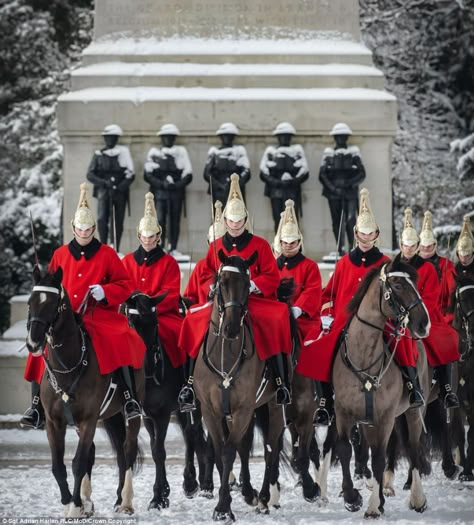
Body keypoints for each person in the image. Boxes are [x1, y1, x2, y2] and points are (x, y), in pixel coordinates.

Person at [20, 183, 145, 429]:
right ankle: (36, 404)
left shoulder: (107, 254)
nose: (84, 233)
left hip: (97, 315)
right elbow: (51, 285)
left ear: (94, 229)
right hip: (63, 318)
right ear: (73, 228)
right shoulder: (60, 254)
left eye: (88, 229)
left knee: (120, 338)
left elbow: (125, 285)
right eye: (80, 228)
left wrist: (105, 291)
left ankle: (129, 398)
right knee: (40, 346)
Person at [296, 189, 422, 426]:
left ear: (376, 234)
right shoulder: (343, 263)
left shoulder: (385, 263)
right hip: (345, 321)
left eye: (370, 233)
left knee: (403, 342)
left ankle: (413, 387)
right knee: (318, 349)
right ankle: (325, 402)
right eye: (362, 233)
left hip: (381, 321)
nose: (366, 237)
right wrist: (326, 316)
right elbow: (328, 294)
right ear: (355, 234)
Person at [177, 174, 293, 412]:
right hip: (223, 301)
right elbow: (206, 273)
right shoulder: (215, 246)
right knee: (193, 322)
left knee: (277, 320)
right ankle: (188, 383)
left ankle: (281, 381)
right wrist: (211, 286)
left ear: (245, 221)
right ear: (226, 221)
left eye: (239, 221)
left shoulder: (260, 245)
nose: (235, 225)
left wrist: (253, 285)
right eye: (231, 221)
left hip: (253, 301)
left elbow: (272, 276)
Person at [398, 208, 460, 409]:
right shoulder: (393, 265)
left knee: (446, 338)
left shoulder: (428, 269)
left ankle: (445, 387)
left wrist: (412, 313)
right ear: (401, 245)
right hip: (397, 316)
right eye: (405, 245)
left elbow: (431, 297)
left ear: (417, 246)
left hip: (423, 315)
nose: (408, 249)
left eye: (412, 245)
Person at [121, 192, 186, 371]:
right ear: (139, 236)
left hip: (160, 315)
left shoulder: (169, 263)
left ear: (158, 236)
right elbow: (121, 287)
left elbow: (171, 293)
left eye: (152, 236)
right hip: (130, 315)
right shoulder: (126, 261)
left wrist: (150, 306)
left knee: (178, 333)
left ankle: (183, 380)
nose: (148, 240)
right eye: (145, 236)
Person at [274, 199, 322, 345]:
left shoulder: (310, 266)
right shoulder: (272, 265)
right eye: (285, 243)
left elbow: (312, 291)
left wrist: (299, 308)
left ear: (299, 243)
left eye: (292, 243)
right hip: (276, 315)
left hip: (302, 318)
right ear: (280, 243)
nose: (288, 246)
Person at [144, 123, 193, 258]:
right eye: (166, 137)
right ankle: (159, 246)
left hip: (175, 193)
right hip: (160, 194)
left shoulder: (181, 152)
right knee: (159, 221)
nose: (168, 139)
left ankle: (173, 247)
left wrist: (176, 185)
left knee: (174, 221)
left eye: (171, 137)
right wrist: (161, 184)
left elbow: (188, 174)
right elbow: (147, 175)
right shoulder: (155, 153)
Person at [319, 122, 366, 255]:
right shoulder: (328, 154)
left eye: (343, 136)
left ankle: (352, 246)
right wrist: (333, 188)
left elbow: (362, 173)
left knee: (351, 219)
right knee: (337, 220)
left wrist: (349, 184)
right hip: (333, 193)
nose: (341, 139)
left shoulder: (353, 152)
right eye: (338, 136)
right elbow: (322, 175)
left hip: (349, 192)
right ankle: (340, 248)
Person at [86, 124, 135, 252]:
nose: (110, 140)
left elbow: (130, 174)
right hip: (103, 191)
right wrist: (103, 182)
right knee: (102, 219)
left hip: (119, 192)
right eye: (107, 137)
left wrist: (120, 187)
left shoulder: (123, 153)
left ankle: (116, 247)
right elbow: (90, 174)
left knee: (117, 220)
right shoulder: (99, 155)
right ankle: (103, 246)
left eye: (113, 137)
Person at [259, 122, 309, 232]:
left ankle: (294, 246)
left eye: (287, 136)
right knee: (278, 219)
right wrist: (276, 182)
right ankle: (278, 244)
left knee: (292, 219)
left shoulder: (297, 151)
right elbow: (263, 173)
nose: (285, 138)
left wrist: (293, 181)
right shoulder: (271, 151)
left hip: (292, 190)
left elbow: (304, 172)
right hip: (276, 190)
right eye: (282, 136)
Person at [182, 200, 226, 308]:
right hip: (204, 313)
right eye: (213, 244)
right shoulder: (201, 266)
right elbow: (191, 295)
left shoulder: (233, 263)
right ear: (208, 243)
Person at [203, 122, 251, 207]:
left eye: (229, 136)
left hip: (236, 191)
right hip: (219, 190)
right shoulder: (214, 152)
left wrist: (235, 185)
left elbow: (246, 172)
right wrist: (218, 185)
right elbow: (207, 173)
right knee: (219, 216)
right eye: (224, 136)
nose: (227, 138)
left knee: (236, 217)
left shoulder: (239, 151)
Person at [418, 210, 455, 317]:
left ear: (435, 245)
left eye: (429, 246)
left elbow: (452, 290)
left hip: (440, 312)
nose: (425, 249)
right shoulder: (412, 264)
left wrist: (448, 314)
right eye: (423, 246)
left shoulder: (446, 264)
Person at [444, 215, 474, 325]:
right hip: (454, 317)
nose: (464, 258)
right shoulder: (451, 272)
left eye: (467, 255)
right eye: (461, 255)